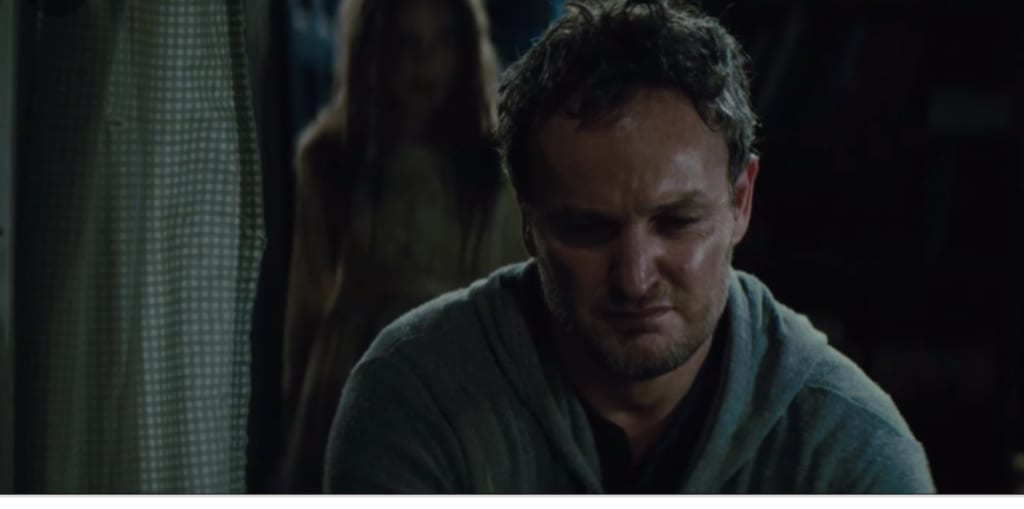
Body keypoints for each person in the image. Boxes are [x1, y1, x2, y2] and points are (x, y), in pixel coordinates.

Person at [324, 0, 935, 493]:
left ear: (741, 200)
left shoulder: (849, 446)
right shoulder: (416, 398)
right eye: (589, 229)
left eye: (677, 222)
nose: (635, 278)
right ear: (528, 221)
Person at [281, 0, 523, 492]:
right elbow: (305, 302)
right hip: (346, 376)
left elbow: (512, 299)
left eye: (442, 41)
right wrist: (291, 419)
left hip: (457, 382)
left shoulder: (492, 170)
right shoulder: (330, 160)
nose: (424, 63)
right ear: (373, 51)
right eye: (405, 43)